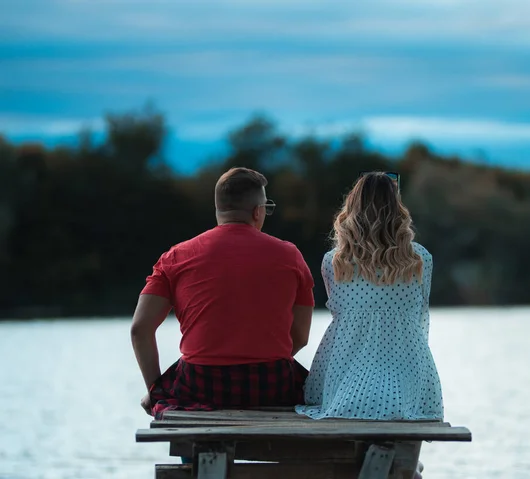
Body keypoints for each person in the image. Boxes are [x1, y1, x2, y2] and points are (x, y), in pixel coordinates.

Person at [131, 167, 315, 419]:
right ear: (257, 211)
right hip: (273, 384)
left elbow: (140, 329)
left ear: (218, 209)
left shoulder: (175, 257)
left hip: (201, 385)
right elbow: (301, 337)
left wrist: (154, 389)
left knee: (165, 391)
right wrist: (258, 361)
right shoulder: (290, 256)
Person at [296, 172, 442, 478]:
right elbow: (419, 320)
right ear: (397, 208)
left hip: (346, 381)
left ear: (352, 209)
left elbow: (341, 316)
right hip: (405, 381)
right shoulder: (421, 259)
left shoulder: (332, 261)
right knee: (406, 466)